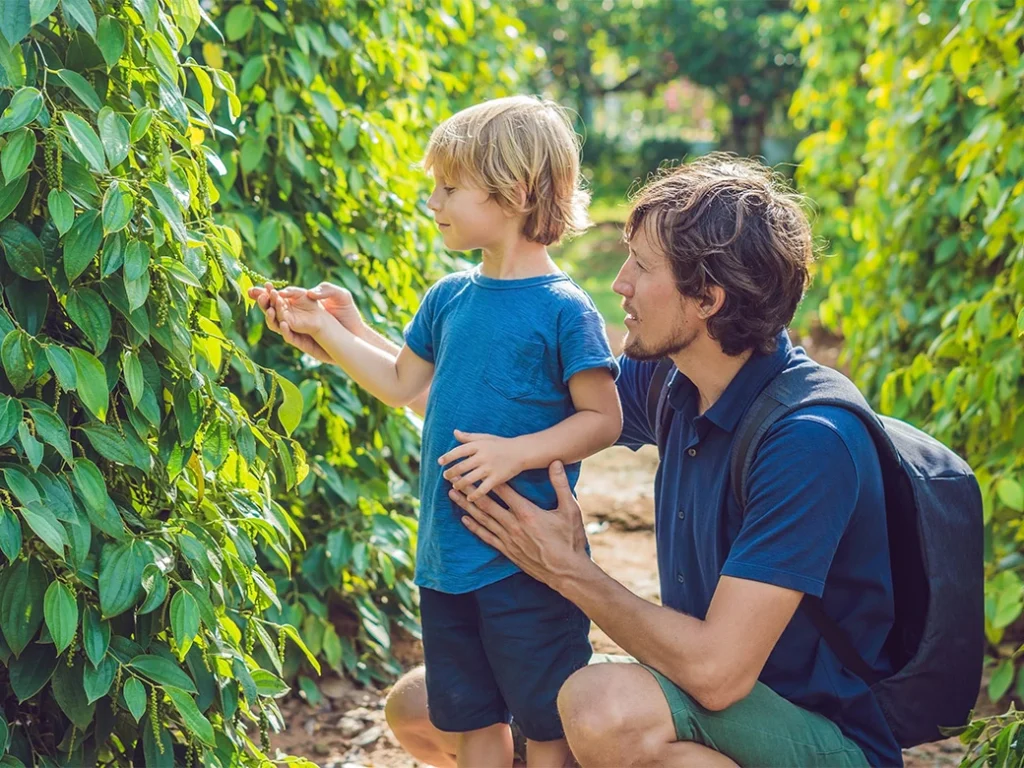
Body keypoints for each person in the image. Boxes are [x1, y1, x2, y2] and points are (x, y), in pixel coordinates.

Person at [257, 154, 904, 767]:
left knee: (600, 709)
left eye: (641, 268)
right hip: (716, 701)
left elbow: (716, 671)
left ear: (708, 299)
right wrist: (342, 339)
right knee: (426, 708)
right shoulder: (671, 380)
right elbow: (488, 409)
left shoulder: (808, 439)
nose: (618, 283)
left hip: (818, 733)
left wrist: (567, 570)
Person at [250, 95, 622, 768]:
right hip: (446, 563)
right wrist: (328, 330)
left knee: (545, 725)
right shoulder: (448, 297)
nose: (433, 202)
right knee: (472, 717)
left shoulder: (565, 310)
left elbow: (604, 419)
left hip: (525, 564)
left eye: (448, 187)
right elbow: (399, 383)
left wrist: (519, 452)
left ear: (513, 191)